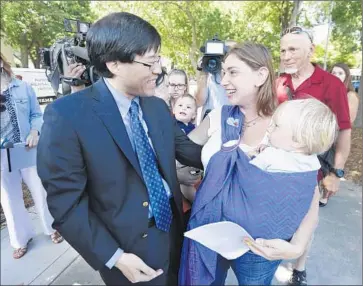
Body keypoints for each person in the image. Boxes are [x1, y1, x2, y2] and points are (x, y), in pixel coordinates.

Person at [36, 12, 203, 286]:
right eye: (149, 63)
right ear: (114, 64)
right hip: (126, 250)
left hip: (172, 229)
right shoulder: (67, 116)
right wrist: (114, 257)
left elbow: (187, 149)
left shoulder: (157, 107)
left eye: (158, 60)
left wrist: (241, 151)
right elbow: (66, 204)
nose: (158, 70)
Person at [179, 42, 322, 286]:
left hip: (262, 245)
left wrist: (296, 247)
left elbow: (309, 192)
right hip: (210, 232)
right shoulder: (217, 118)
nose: (223, 80)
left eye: (233, 72)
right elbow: (177, 156)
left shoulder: (287, 123)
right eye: (223, 72)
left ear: (261, 75)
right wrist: (184, 179)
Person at [276, 26, 352, 285]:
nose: (286, 55)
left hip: (313, 168)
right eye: (283, 50)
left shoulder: (331, 84)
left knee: (307, 221)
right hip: (277, 165)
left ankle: (299, 269)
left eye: (293, 49)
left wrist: (337, 173)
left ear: (312, 50)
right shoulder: (279, 82)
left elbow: (343, 131)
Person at [0, 53, 63, 260]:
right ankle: (20, 240)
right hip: (1, 155)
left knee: (40, 190)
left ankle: (52, 228)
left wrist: (35, 132)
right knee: (9, 199)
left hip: (26, 149)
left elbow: (36, 114)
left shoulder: (23, 87)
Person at [195, 40, 237, 121]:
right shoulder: (210, 72)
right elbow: (199, 102)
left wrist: (226, 74)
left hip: (231, 123)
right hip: (209, 123)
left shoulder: (241, 74)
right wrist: (204, 70)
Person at [172, 94, 199, 216]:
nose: (183, 108)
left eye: (188, 107)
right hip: (177, 167)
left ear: (194, 115)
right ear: (173, 109)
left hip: (192, 168)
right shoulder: (171, 126)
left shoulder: (195, 129)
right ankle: (197, 207)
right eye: (180, 105)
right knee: (186, 187)